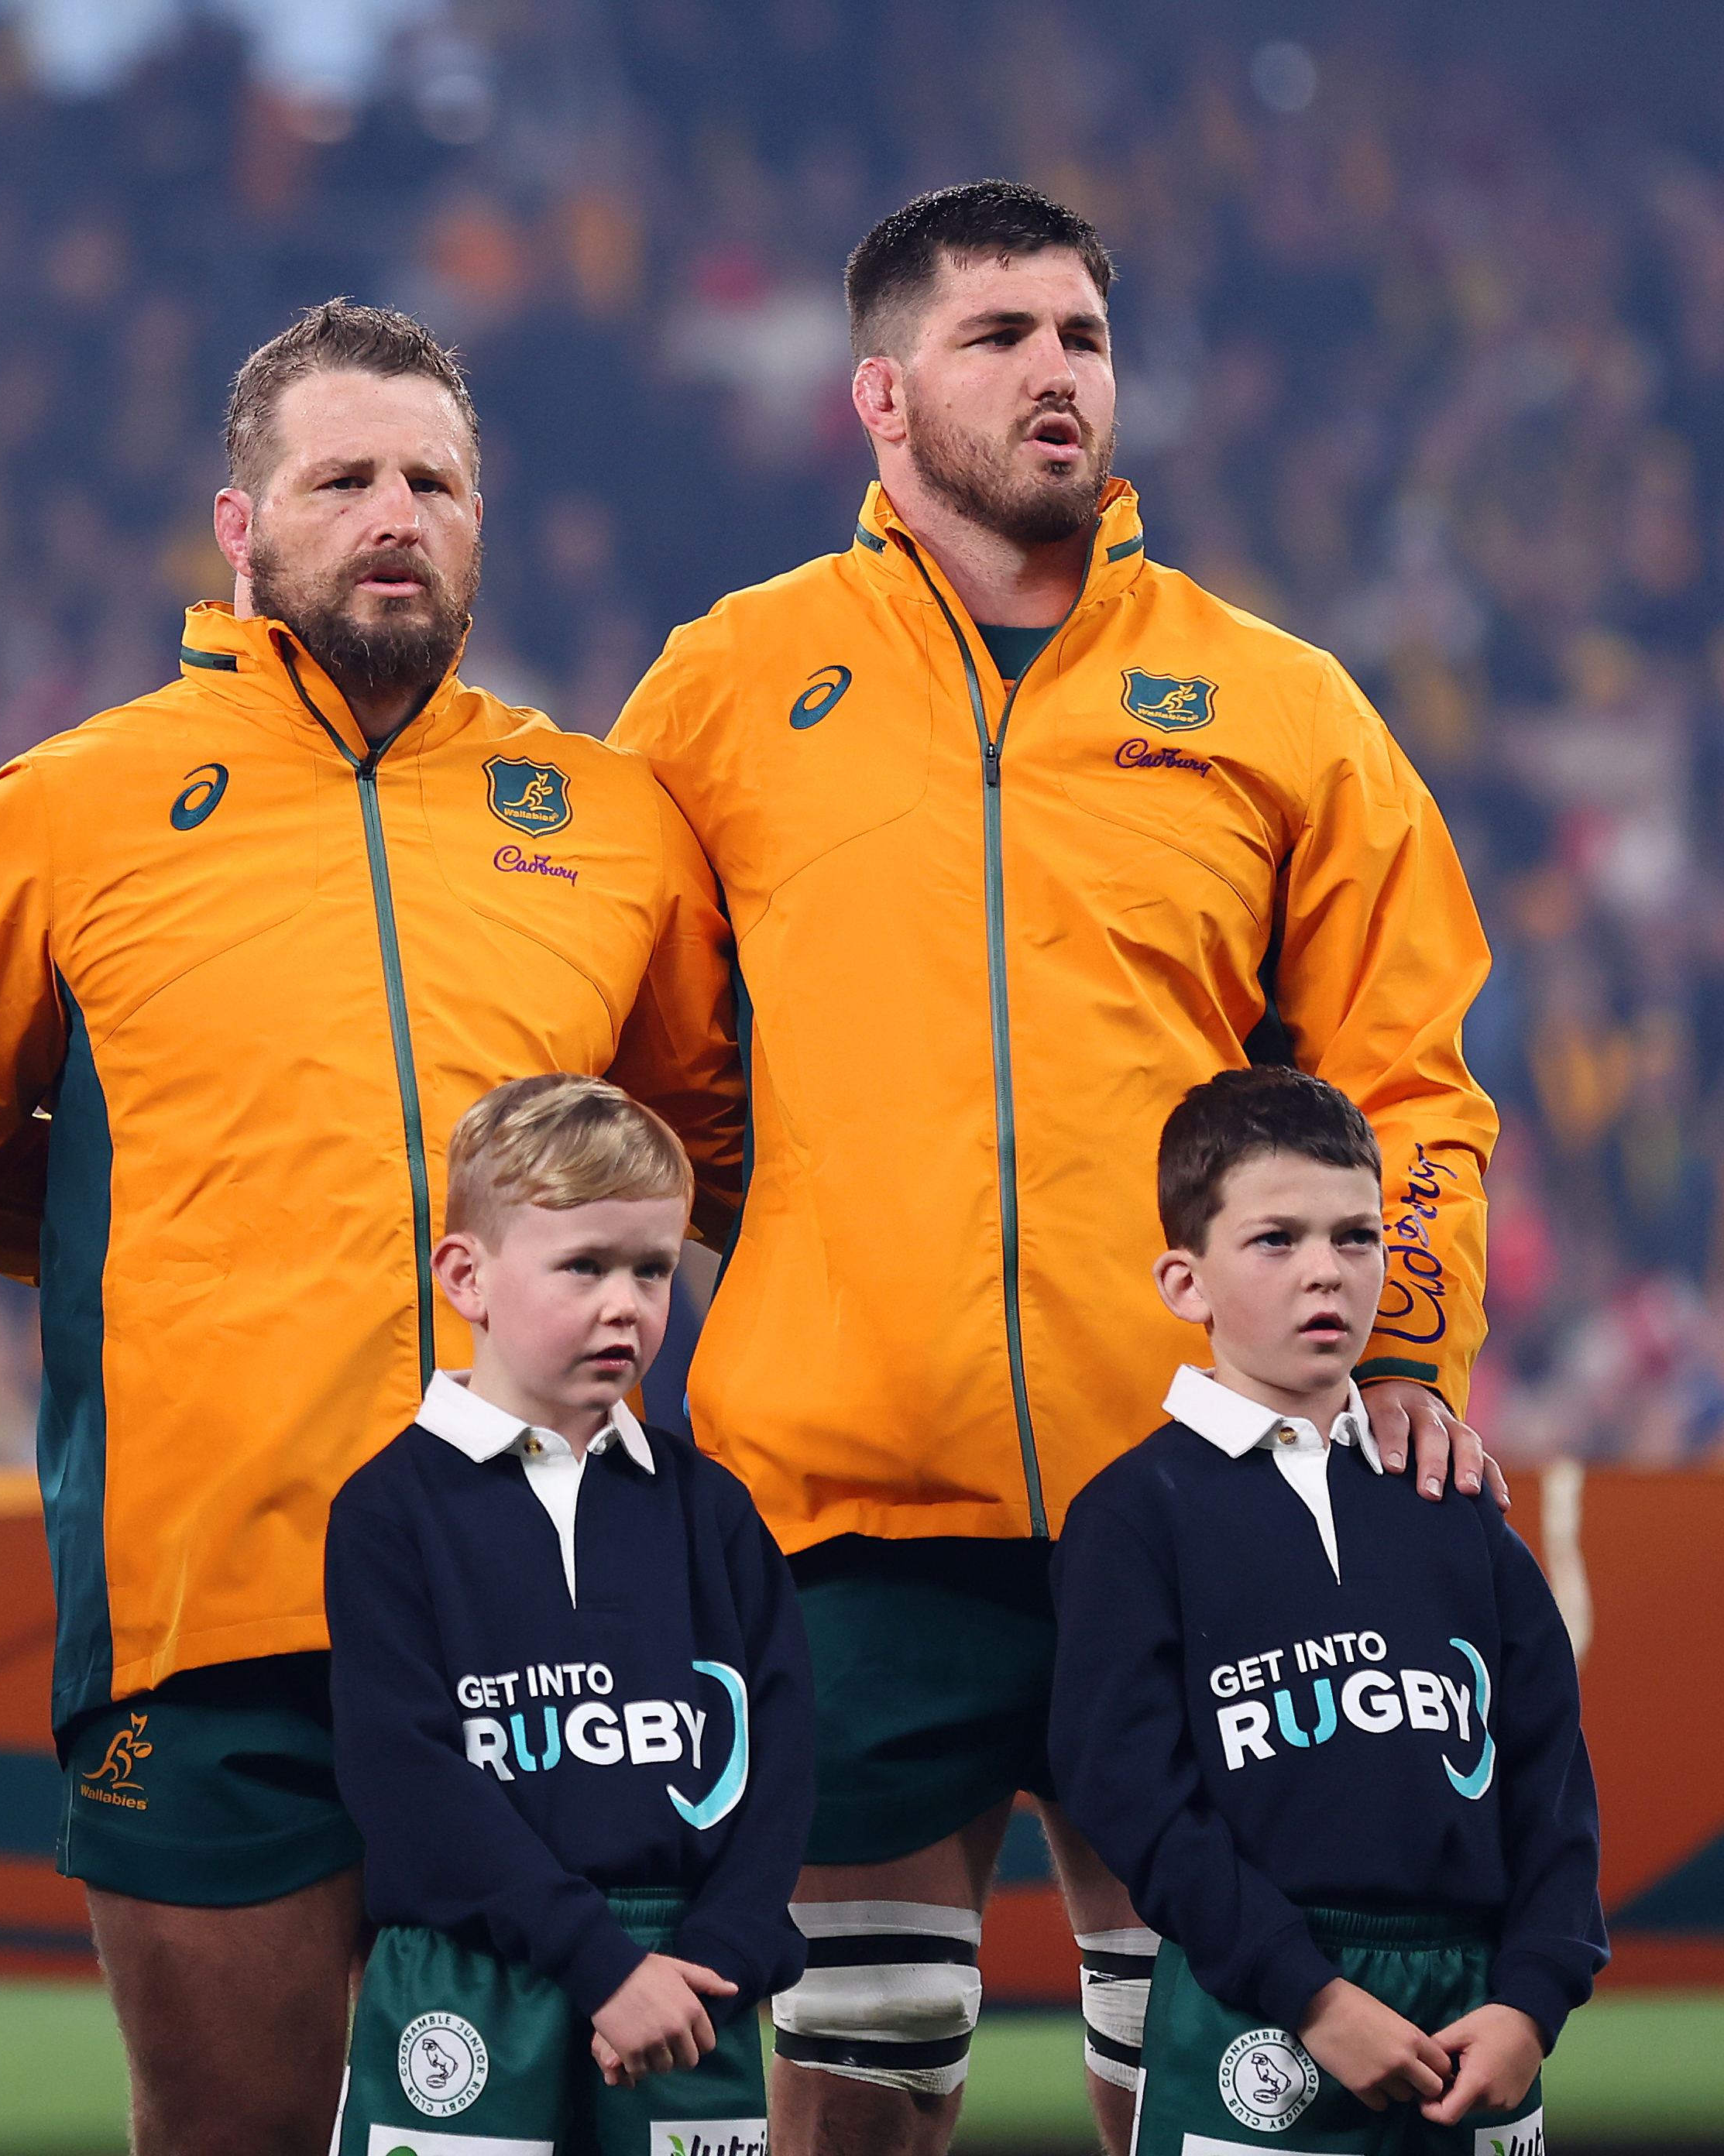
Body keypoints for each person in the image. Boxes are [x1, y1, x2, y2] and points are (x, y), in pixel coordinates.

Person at [608, 180, 1502, 2156]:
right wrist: (833, 1251)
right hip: (842, 1520)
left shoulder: (1283, 705)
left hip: (1199, 1506)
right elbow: (658, 1082)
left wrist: (1411, 1346)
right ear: (879, 393)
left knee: (1227, 2095)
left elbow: (1404, 1076)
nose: (1054, 376)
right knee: (853, 2106)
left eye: (1083, 338)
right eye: (999, 338)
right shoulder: (723, 691)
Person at [0, 299, 744, 2156]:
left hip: (561, 1625)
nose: (393, 514)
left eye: (433, 480)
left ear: (480, 518)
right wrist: (137, 1267)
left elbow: (715, 1155)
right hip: (214, 1620)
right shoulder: (73, 808)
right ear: (239, 521)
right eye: (343, 476)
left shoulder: (613, 822)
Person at [1049, 1067, 1602, 2152]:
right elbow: (1134, 1801)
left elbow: (1551, 1787)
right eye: (1276, 1241)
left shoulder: (1454, 1504)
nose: (1326, 1275)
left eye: (1356, 1238)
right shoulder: (1130, 1517)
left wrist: (1532, 2002)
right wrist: (1313, 1997)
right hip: (1257, 2010)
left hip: (1474, 2023)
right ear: (1183, 1281)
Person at [328, 1075, 811, 2156]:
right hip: (472, 1977)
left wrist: (721, 1954)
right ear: (468, 1277)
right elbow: (404, 1776)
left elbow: (776, 1753)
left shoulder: (713, 1512)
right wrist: (600, 1964)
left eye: (651, 1269)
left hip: (691, 1987)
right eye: (584, 1266)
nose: (626, 1304)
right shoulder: (388, 1511)